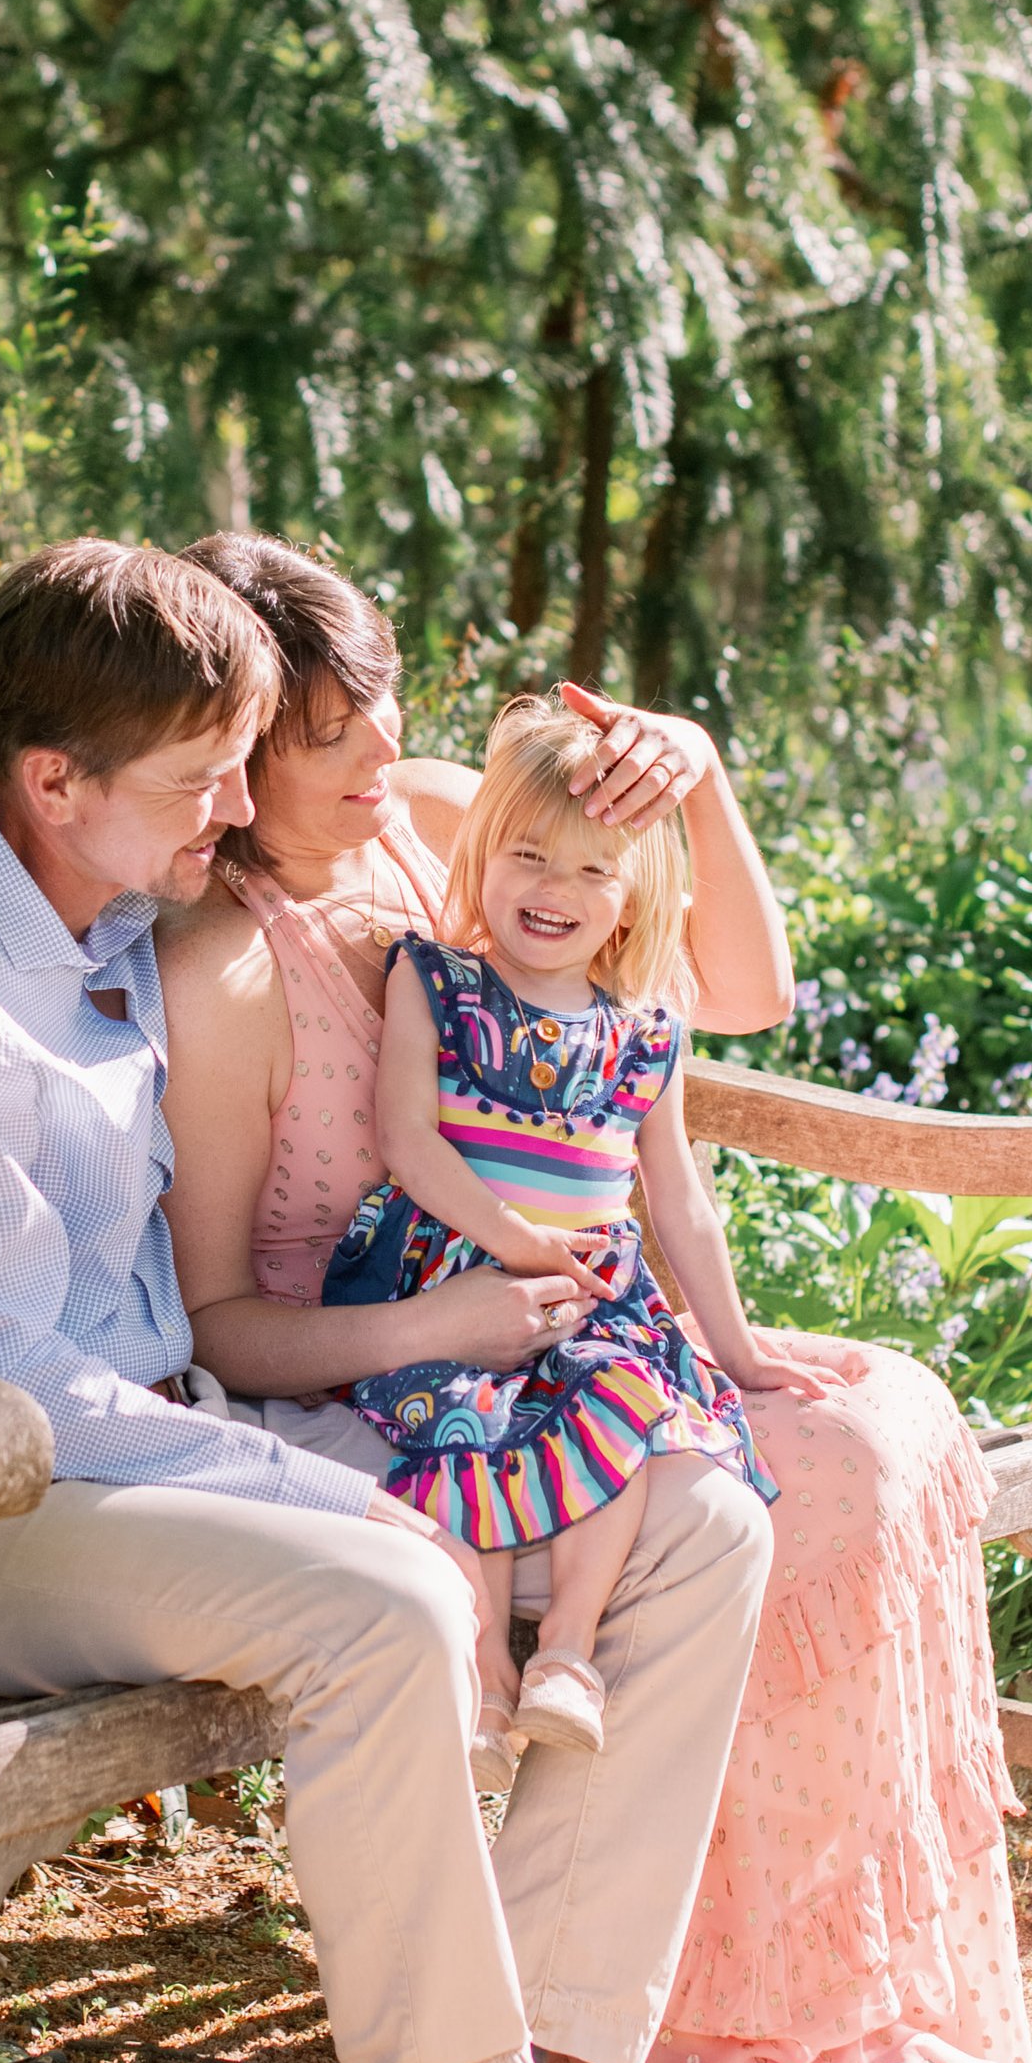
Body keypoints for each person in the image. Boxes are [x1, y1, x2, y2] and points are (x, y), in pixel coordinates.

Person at [0, 537, 772, 2063]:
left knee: (687, 1517)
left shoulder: (90, 887)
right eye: (208, 775)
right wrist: (315, 1483)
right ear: (56, 782)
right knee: (379, 1593)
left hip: (133, 1449)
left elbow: (586, 914)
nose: (245, 804)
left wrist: (656, 765)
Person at [160, 536, 1031, 2063]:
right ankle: (676, 2033)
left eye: (385, 712)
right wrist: (448, 1321)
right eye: (326, 739)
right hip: (397, 1365)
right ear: (229, 756)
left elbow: (740, 995)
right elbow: (220, 1328)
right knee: (786, 1483)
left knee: (888, 1418)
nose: (381, 757)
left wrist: (694, 781)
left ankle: (760, 2002)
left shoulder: (430, 821)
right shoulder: (224, 966)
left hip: (576, 1322)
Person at [327, 690, 809, 1781]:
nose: (556, 892)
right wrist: (515, 1241)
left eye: (595, 871)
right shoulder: (433, 979)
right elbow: (410, 1144)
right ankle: (487, 1675)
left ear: (635, 896)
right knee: (463, 1423)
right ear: (483, 854)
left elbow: (677, 1196)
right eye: (531, 858)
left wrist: (733, 1347)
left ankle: (568, 1656)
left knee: (627, 1412)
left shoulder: (644, 1025)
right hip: (457, 1265)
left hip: (593, 1292)